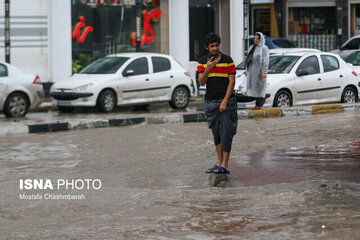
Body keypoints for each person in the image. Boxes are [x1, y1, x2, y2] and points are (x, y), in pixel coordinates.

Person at [198, 33, 237, 174]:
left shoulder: (228, 60)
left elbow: (232, 82)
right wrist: (208, 68)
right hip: (210, 102)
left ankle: (225, 165)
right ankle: (220, 163)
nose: (215, 48)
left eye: (217, 45)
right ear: (207, 47)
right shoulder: (203, 62)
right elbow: (202, 82)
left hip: (226, 102)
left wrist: (225, 101)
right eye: (212, 46)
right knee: (216, 134)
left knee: (226, 132)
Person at [244, 32, 269, 110]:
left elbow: (266, 60)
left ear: (261, 39)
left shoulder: (264, 48)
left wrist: (265, 72)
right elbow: (248, 59)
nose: (255, 40)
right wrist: (246, 69)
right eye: (254, 38)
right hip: (252, 71)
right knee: (253, 87)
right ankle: (263, 98)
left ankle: (258, 104)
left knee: (259, 87)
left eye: (257, 38)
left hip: (259, 71)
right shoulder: (252, 47)